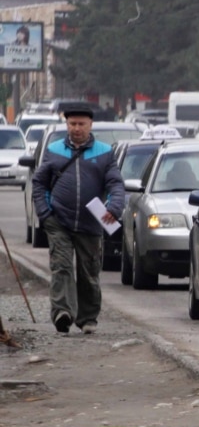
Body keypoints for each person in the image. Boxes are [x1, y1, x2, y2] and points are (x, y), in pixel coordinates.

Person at [31, 106, 125, 334]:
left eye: (81, 124)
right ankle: (62, 313)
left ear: (90, 125)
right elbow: (39, 183)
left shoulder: (104, 153)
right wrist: (45, 213)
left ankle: (88, 318)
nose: (76, 128)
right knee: (61, 267)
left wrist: (113, 207)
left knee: (89, 271)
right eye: (72, 124)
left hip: (91, 223)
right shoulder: (54, 151)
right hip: (58, 221)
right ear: (67, 125)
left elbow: (115, 184)